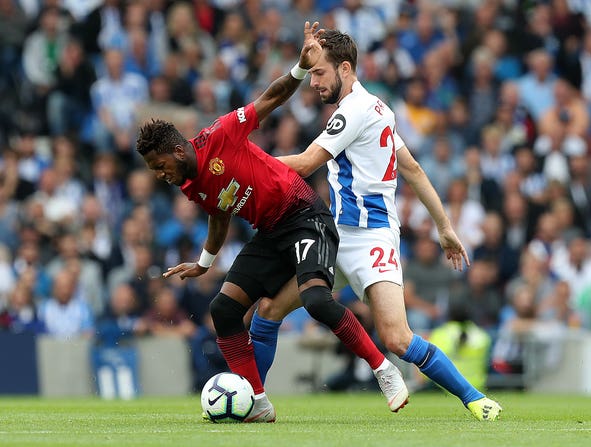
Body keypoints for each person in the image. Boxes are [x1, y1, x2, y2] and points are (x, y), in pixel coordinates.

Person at [135, 22, 407, 423]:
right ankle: (259, 404)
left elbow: (272, 97)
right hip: (270, 234)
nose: (161, 175)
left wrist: (299, 68)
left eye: (160, 166)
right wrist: (205, 263)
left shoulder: (221, 135)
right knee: (224, 309)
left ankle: (383, 369)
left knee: (316, 300)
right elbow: (219, 213)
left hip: (304, 217)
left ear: (178, 150)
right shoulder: (190, 183)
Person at [250, 29, 502, 421]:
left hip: (371, 240)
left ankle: (475, 398)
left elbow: (304, 164)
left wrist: (242, 160)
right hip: (334, 237)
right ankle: (255, 404)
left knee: (398, 338)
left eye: (318, 74)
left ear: (345, 68)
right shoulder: (379, 109)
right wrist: (444, 227)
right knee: (268, 310)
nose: (313, 84)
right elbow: (413, 169)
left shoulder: (355, 110)